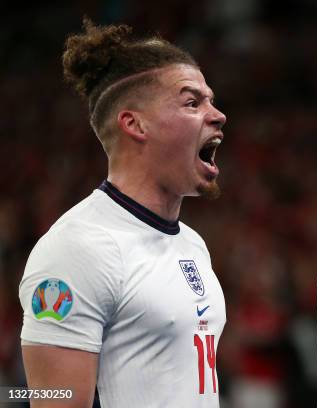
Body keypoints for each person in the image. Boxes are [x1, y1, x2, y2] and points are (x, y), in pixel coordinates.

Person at [18, 19, 227, 407]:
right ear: (135, 124)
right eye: (192, 102)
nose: (217, 115)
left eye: (210, 100)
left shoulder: (193, 245)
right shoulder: (77, 250)